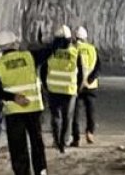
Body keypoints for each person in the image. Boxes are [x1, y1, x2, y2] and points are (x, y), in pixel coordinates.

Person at [0, 30, 56, 175]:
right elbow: (49, 50)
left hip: (14, 111)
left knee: (18, 147)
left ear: (0, 47)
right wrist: (60, 38)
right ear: (14, 43)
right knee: (37, 142)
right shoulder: (29, 56)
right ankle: (41, 171)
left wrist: (13, 97)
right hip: (33, 108)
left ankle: (22, 172)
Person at [44, 25, 83, 154]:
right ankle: (63, 141)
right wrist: (78, 87)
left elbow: (43, 71)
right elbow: (81, 72)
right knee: (67, 117)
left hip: (53, 88)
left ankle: (56, 139)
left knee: (55, 116)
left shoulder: (50, 52)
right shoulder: (75, 52)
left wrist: (46, 85)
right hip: (69, 89)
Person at [71, 26, 100, 147]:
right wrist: (89, 79)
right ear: (85, 38)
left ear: (75, 37)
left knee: (74, 113)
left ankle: (76, 138)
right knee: (90, 111)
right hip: (90, 86)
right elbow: (98, 67)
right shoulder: (92, 49)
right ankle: (90, 132)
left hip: (75, 86)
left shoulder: (73, 49)